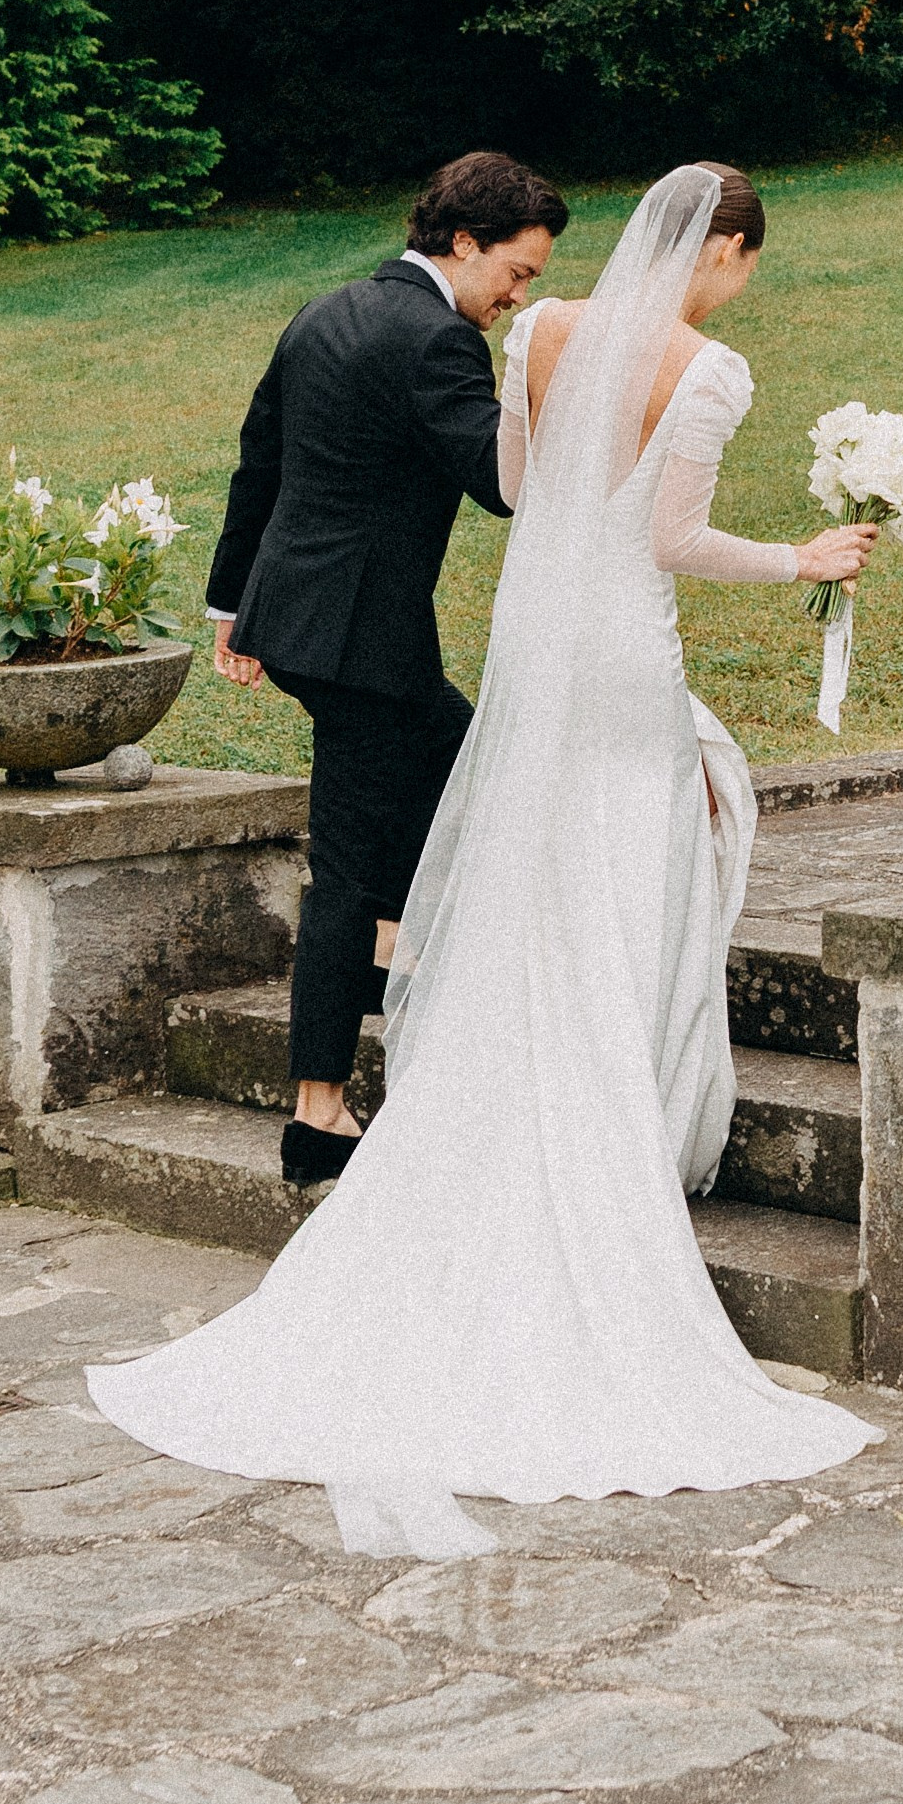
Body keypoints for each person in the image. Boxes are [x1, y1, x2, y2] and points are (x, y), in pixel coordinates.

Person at [89, 163, 883, 1551]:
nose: (521, 280)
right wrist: (804, 559)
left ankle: (394, 1069)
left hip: (520, 634)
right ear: (726, 252)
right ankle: (567, 1120)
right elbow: (667, 534)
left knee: (518, 855)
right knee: (625, 855)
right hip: (596, 637)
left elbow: (497, 480)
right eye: (747, 261)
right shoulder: (707, 371)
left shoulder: (518, 330)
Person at [204, 149, 568, 1186]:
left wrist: (233, 604)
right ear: (462, 243)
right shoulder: (437, 342)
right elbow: (503, 483)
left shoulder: (325, 310)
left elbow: (257, 459)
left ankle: (396, 960)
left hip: (314, 624)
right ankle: (318, 1106)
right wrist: (556, 381)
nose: (517, 293)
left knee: (460, 761)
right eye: (516, 271)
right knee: (352, 862)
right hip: (360, 641)